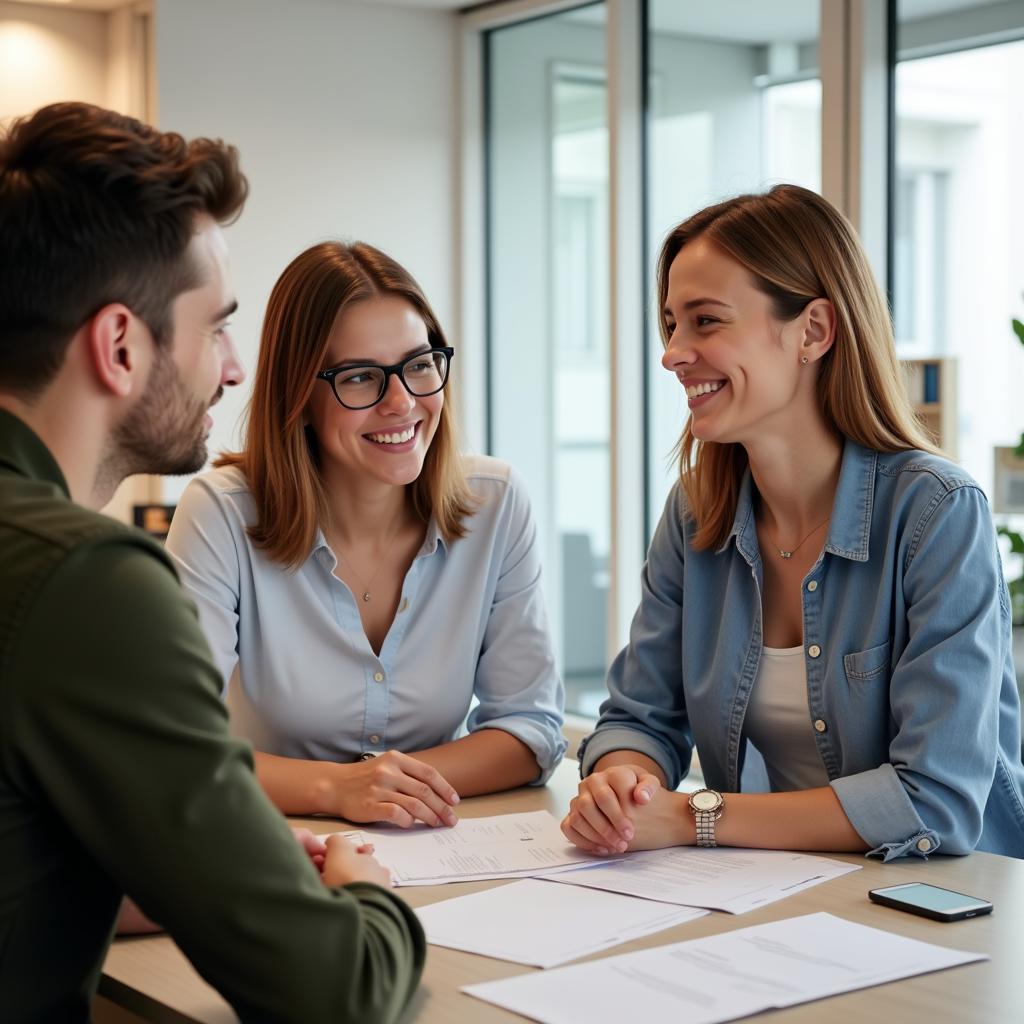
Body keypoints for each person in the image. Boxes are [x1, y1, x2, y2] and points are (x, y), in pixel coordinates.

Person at [0, 102, 423, 1022]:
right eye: (214, 328)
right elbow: (336, 995)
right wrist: (365, 891)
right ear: (120, 346)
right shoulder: (87, 582)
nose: (232, 370)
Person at [562, 184, 1024, 862]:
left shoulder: (937, 514)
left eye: (706, 320)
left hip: (948, 904)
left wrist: (695, 817)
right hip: (778, 894)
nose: (672, 353)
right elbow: (639, 718)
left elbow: (936, 799)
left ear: (813, 331)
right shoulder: (696, 515)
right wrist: (621, 785)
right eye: (671, 324)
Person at [165, 240, 566, 828]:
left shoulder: (495, 503)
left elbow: (530, 730)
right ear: (299, 397)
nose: (402, 402)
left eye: (420, 364)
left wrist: (387, 787)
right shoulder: (222, 513)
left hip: (442, 847)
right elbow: (174, 745)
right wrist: (337, 787)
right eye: (359, 377)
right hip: (277, 846)